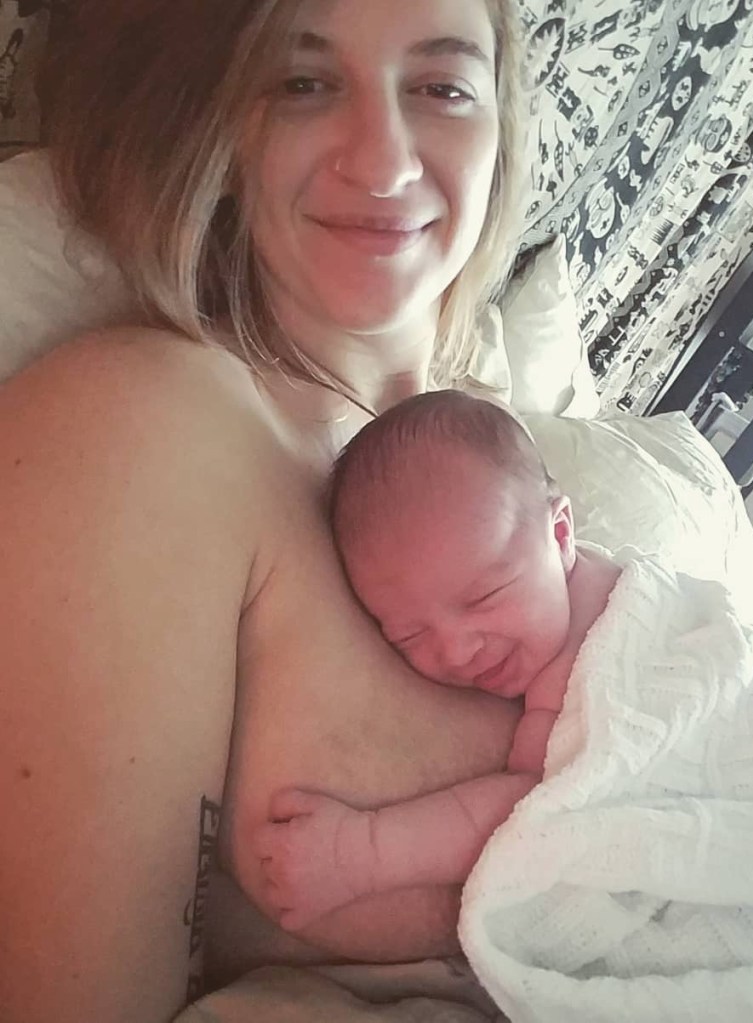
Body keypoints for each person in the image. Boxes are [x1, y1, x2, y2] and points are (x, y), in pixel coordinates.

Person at [0, 1, 532, 1021]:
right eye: (302, 84)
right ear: (217, 128)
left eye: (441, 87)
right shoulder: (147, 428)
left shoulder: (517, 467)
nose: (385, 163)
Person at [255, 390, 623, 930]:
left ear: (562, 534)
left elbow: (531, 812)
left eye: (484, 597)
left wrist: (360, 852)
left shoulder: (596, 638)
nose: (454, 651)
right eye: (408, 635)